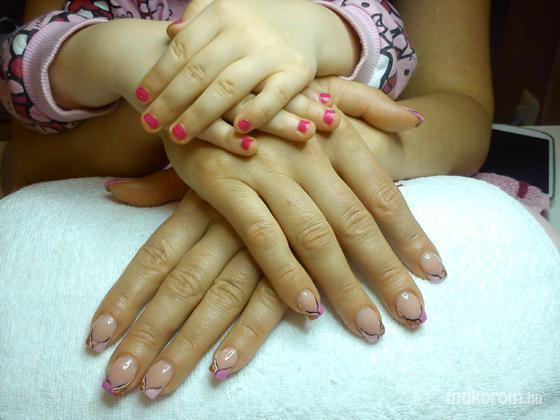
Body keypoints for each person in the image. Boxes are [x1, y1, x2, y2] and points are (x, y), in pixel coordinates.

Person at [0, 0, 493, 400]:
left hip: (360, 174)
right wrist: (157, 78)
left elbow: (459, 107)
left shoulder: (357, 20)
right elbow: (30, 107)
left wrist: (322, 151)